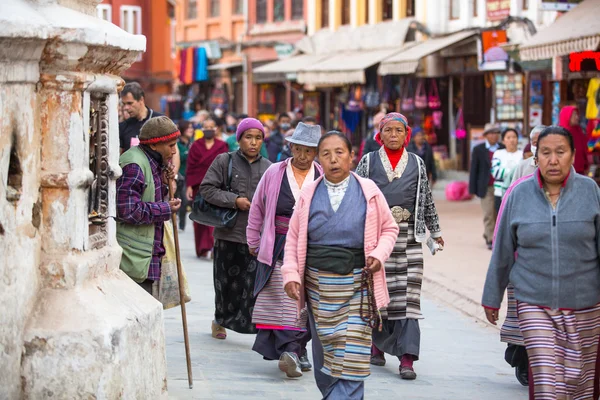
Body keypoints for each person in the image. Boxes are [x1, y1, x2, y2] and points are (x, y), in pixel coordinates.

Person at [482, 126, 600, 400]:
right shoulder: (519, 194)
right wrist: (492, 297)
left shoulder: (590, 192)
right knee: (548, 384)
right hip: (534, 302)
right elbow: (502, 250)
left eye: (561, 152)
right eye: (545, 152)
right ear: (536, 157)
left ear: (572, 156)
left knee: (580, 383)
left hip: (585, 304)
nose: (553, 159)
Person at [282, 131, 399, 399]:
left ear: (351, 156)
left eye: (339, 152)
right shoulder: (309, 193)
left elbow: (389, 229)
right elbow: (293, 238)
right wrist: (290, 274)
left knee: (353, 353)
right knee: (325, 353)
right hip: (318, 287)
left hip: (358, 285)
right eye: (326, 154)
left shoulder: (369, 191)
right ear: (318, 160)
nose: (333, 159)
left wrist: (379, 255)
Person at [356, 112, 443, 380]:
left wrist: (435, 231)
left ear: (407, 134)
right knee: (380, 295)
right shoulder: (368, 162)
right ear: (379, 134)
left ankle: (407, 359)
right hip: (378, 238)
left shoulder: (417, 163)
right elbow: (355, 196)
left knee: (409, 300)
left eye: (399, 131)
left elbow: (426, 199)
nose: (393, 135)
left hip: (409, 239)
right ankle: (377, 346)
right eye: (388, 131)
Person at [247, 123, 323, 378]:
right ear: (290, 147)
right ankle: (290, 350)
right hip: (278, 243)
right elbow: (257, 206)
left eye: (308, 151)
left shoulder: (322, 176)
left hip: (311, 247)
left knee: (306, 301)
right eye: (298, 149)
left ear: (316, 153)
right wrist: (253, 240)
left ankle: (297, 349)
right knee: (283, 299)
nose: (302, 156)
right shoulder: (274, 173)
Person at [199, 118, 271, 339]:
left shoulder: (269, 167)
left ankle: (245, 323)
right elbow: (207, 189)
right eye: (248, 137)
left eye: (258, 138)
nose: (253, 142)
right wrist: (234, 200)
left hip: (254, 238)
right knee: (224, 282)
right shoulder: (224, 161)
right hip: (228, 232)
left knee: (249, 285)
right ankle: (219, 320)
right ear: (239, 139)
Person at [116, 116, 181, 294]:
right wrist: (166, 209)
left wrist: (165, 183)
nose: (175, 151)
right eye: (171, 145)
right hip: (133, 256)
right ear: (153, 145)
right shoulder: (134, 165)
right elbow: (128, 210)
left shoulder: (153, 162)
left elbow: (150, 196)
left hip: (147, 255)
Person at [185, 118, 229, 258]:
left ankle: (213, 246)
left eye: (211, 126)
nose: (209, 129)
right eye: (206, 127)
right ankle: (202, 248)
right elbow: (190, 167)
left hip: (217, 186)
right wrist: (189, 186)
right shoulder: (196, 146)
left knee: (214, 218)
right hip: (199, 186)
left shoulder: (222, 145)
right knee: (200, 219)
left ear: (216, 128)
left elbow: (226, 166)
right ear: (202, 129)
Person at [469, 124, 504, 250]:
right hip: (486, 186)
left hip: (501, 186)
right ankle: (490, 239)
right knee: (488, 213)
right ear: (486, 135)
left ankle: (494, 235)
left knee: (498, 213)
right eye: (491, 133)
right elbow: (474, 169)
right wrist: (472, 189)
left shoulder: (502, 148)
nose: (494, 135)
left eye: (496, 133)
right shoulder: (479, 150)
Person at [119, 82, 164, 153]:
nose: (126, 108)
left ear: (141, 100)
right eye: (124, 104)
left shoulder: (160, 121)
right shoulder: (124, 126)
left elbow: (174, 150)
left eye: (130, 103)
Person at [491, 128, 523, 213]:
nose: (511, 140)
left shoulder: (522, 154)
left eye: (514, 137)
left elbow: (523, 174)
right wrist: (514, 171)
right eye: (508, 137)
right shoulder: (498, 153)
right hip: (500, 192)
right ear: (503, 141)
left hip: (518, 194)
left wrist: (505, 171)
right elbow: (495, 173)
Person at [559, 105, 589, 174]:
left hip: (581, 170)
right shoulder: (561, 133)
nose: (577, 117)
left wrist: (586, 165)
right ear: (566, 116)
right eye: (574, 115)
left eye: (577, 115)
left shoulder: (579, 131)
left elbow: (584, 149)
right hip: (566, 171)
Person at [175, 120, 194, 231]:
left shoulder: (193, 143)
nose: (191, 130)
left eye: (192, 127)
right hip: (181, 176)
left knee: (188, 201)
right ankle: (181, 224)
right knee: (183, 200)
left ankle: (182, 223)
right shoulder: (177, 144)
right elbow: (179, 158)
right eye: (188, 127)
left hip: (192, 176)